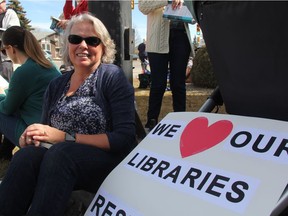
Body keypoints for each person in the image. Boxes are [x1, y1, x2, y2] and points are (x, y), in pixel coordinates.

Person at [0, 13, 136, 215]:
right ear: (67, 45)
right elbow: (46, 132)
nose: (83, 45)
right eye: (75, 39)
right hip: (59, 161)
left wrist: (66, 138)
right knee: (26, 156)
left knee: (61, 153)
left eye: (92, 40)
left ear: (103, 47)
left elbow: (124, 139)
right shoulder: (57, 85)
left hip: (104, 162)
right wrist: (32, 137)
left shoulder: (111, 77)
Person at [0, 26, 60, 160]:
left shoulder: (23, 72)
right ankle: (4, 152)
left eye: (4, 50)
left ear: (11, 48)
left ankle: (4, 153)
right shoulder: (49, 65)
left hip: (39, 140)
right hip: (56, 134)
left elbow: (7, 108)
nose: (5, 53)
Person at [139, 0, 191, 131]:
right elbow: (143, 7)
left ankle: (181, 121)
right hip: (157, 39)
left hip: (181, 37)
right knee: (158, 84)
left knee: (178, 84)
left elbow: (193, 10)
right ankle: (152, 121)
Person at [0, 0, 20, 82]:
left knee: (5, 79)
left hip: (5, 56)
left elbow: (14, 32)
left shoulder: (10, 14)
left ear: (4, 2)